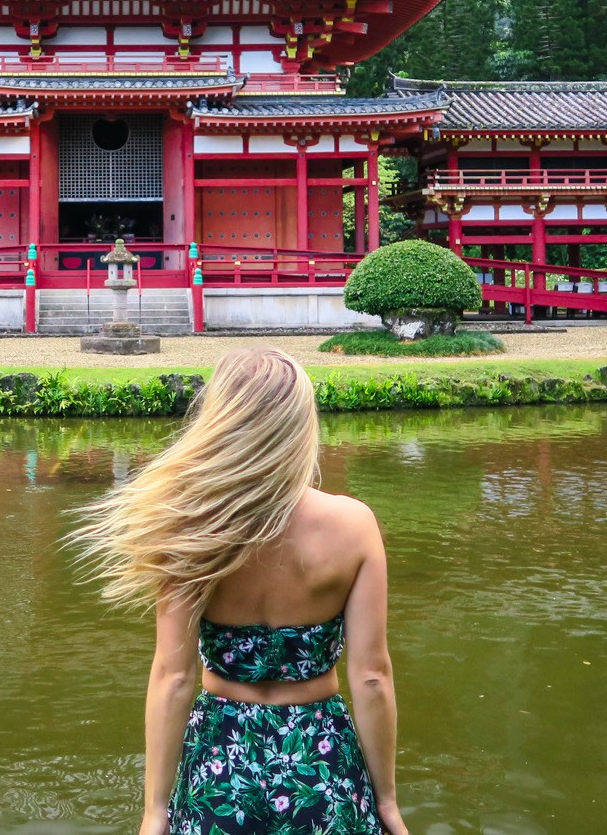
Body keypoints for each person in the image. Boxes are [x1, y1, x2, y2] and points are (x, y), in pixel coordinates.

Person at [73, 347, 406, 835]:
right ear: (300, 426)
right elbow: (372, 677)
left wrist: (155, 812)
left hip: (219, 766)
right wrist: (388, 802)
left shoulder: (190, 527)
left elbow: (174, 676)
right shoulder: (353, 526)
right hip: (322, 764)